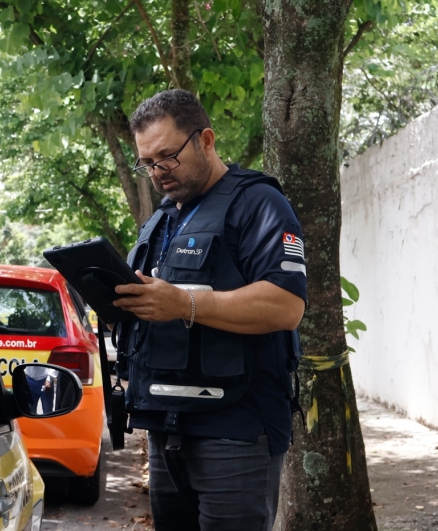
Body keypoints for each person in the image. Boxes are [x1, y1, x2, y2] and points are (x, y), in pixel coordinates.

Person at [112, 89, 307, 531]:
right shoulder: (161, 221)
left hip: (235, 429)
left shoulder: (258, 203)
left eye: (167, 155)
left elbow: (286, 304)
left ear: (205, 140)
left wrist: (184, 303)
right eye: (147, 162)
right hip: (166, 426)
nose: (158, 171)